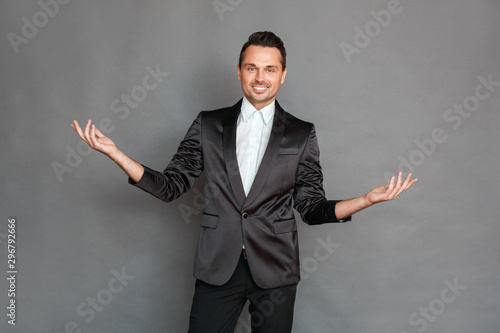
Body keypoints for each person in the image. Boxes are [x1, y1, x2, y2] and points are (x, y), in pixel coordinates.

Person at [71, 31, 417, 333]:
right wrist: (117, 154)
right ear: (239, 72)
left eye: (270, 69)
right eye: (252, 67)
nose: (260, 77)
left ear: (283, 75)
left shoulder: (300, 134)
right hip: (218, 266)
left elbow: (311, 208)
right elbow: (170, 187)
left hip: (276, 271)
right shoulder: (209, 124)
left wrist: (367, 200)